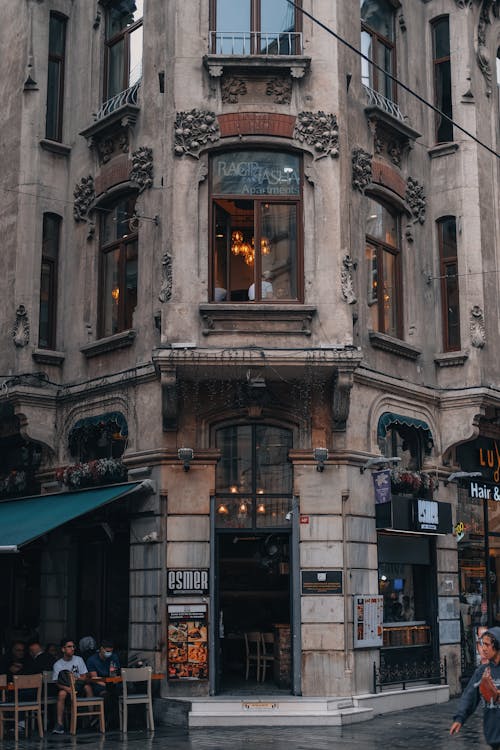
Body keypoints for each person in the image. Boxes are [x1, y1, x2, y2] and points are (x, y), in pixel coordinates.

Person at [450, 627, 500, 749]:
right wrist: (460, 718)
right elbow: (469, 695)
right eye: (482, 644)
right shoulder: (482, 671)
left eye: (487, 645)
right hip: (493, 738)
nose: (483, 649)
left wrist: (496, 694)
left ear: (497, 646)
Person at [51, 637, 93, 734]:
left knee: (88, 687)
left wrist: (77, 680)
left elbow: (84, 676)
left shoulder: (79, 659)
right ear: (63, 649)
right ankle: (59, 724)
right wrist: (68, 688)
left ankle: (91, 720)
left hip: (78, 686)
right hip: (66, 687)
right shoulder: (58, 664)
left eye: (73, 646)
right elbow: (57, 682)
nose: (72, 648)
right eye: (69, 646)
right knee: (62, 694)